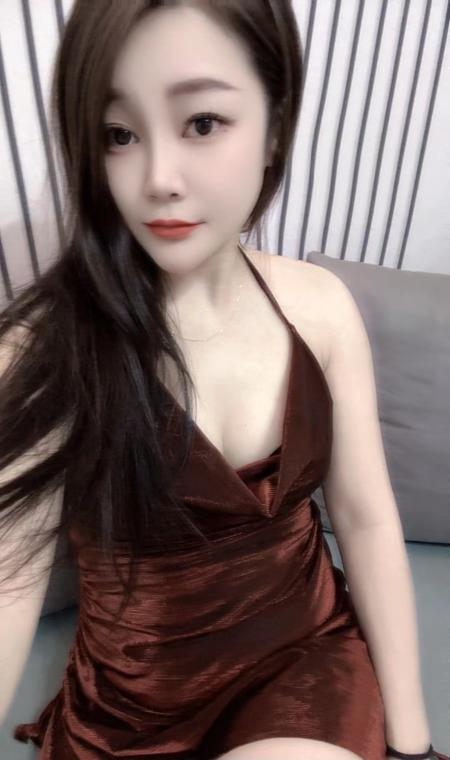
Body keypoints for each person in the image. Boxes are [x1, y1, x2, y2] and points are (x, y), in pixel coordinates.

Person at [0, 2, 447, 759]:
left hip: (302, 665)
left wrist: (411, 744)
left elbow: (366, 520)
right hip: (130, 703)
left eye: (202, 123)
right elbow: (9, 579)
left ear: (275, 126)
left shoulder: (319, 307)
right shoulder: (45, 348)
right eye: (118, 134)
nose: (158, 180)